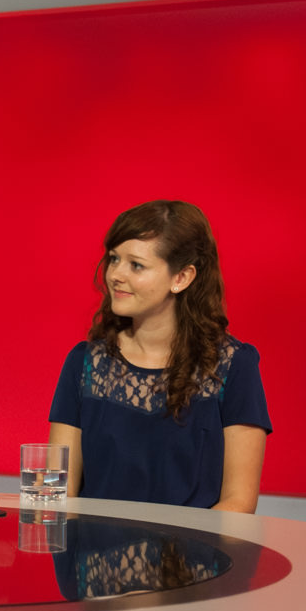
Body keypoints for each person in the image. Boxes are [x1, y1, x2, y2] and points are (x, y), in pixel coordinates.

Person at [47, 200, 271, 511]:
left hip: (192, 557)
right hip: (91, 554)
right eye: (114, 259)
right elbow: (58, 494)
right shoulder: (84, 362)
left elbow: (239, 502)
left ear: (181, 277)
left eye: (135, 265)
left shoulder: (234, 366)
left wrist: (183, 554)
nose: (115, 275)